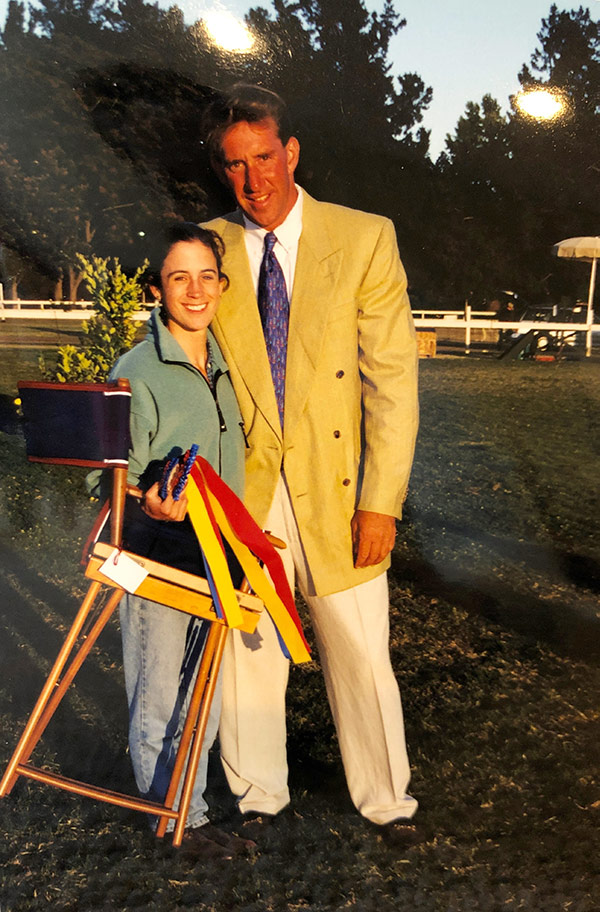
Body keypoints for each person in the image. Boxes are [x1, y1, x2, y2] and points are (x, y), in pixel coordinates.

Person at [202, 85, 421, 845]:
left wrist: (382, 502)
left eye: (264, 157)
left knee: (360, 650)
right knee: (246, 646)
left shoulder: (363, 237)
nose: (253, 179)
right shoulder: (207, 250)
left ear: (290, 152)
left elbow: (390, 381)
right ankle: (258, 795)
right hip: (246, 489)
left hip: (339, 490)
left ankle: (387, 801)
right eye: (235, 165)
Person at [90, 222, 253, 860]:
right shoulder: (138, 367)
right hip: (158, 553)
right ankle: (170, 819)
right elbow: (113, 478)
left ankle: (194, 809)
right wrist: (147, 501)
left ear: (221, 285)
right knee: (160, 685)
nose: (194, 289)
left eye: (205, 276)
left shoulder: (224, 359)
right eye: (178, 277)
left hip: (218, 554)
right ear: (159, 287)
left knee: (202, 689)